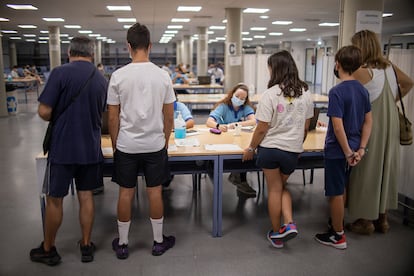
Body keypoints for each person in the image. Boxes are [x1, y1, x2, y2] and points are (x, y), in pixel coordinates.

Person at [30, 36, 108, 265]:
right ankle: (86, 245)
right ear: (92, 54)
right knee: (86, 196)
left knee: (55, 200)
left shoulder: (60, 73)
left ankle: (48, 249)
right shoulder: (100, 79)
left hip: (63, 147)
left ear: (69, 52)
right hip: (91, 148)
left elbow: (44, 111)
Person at [107, 22, 176, 260]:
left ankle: (123, 243)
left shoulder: (117, 76)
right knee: (154, 192)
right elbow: (169, 116)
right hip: (155, 145)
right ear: (150, 46)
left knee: (125, 193)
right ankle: (158, 242)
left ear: (128, 46)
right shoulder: (163, 76)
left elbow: (113, 117)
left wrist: (116, 145)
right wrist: (165, 140)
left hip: (126, 145)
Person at [242, 50, 313, 248]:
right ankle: (289, 223)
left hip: (270, 149)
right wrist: (297, 145)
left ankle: (276, 233)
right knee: (282, 187)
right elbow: (306, 127)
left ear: (275, 68)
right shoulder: (306, 93)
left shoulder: (271, 93)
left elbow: (261, 128)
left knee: (274, 189)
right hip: (292, 150)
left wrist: (250, 148)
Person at [346, 30, 413, 234]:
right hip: (391, 122)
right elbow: (409, 82)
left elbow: (350, 99)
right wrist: (391, 102)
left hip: (371, 123)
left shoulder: (360, 70)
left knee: (366, 169)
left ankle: (365, 220)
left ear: (360, 47)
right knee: (386, 167)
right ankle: (382, 219)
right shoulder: (390, 67)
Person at [314, 45, 372, 250]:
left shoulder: (337, 91)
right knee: (342, 187)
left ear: (337, 63)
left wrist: (346, 152)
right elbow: (368, 122)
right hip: (355, 147)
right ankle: (336, 224)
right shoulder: (362, 90)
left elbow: (338, 128)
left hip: (339, 151)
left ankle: (337, 236)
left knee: (335, 192)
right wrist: (361, 149)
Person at [206, 83, 257, 197]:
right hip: (221, 139)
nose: (239, 99)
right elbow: (209, 121)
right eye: (237, 96)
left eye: (242, 98)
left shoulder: (246, 107)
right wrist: (218, 126)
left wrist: (237, 124)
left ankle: (239, 178)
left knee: (246, 151)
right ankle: (236, 177)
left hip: (237, 139)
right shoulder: (223, 106)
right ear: (232, 94)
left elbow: (253, 121)